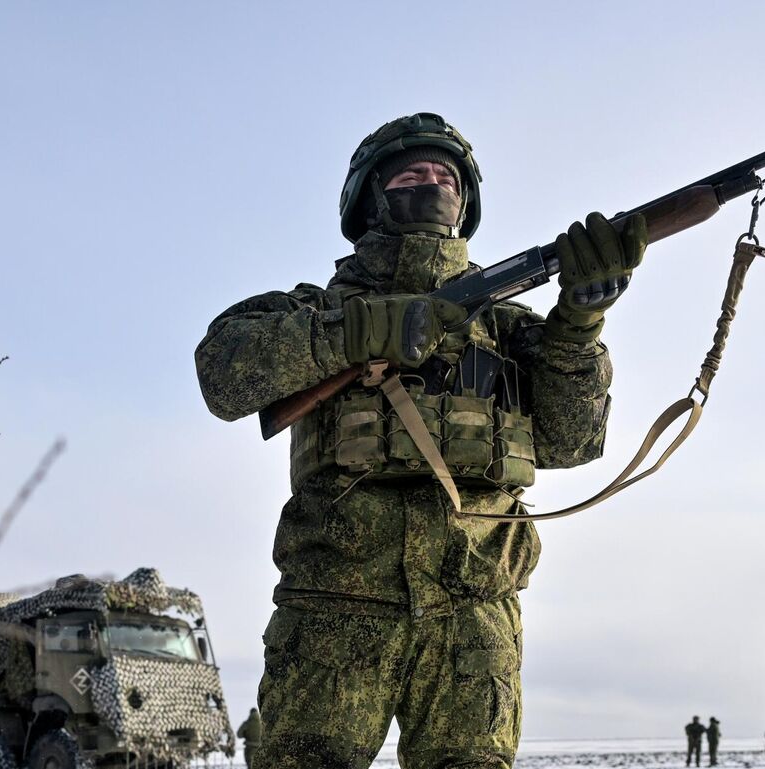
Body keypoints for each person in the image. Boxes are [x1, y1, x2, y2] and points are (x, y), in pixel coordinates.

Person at [195, 113, 644, 769]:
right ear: (369, 197)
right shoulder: (312, 312)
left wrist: (578, 324)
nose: (432, 185)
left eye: (445, 176)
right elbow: (224, 373)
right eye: (411, 174)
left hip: (474, 605)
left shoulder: (508, 328)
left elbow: (572, 440)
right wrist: (374, 328)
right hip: (334, 607)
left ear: (467, 202)